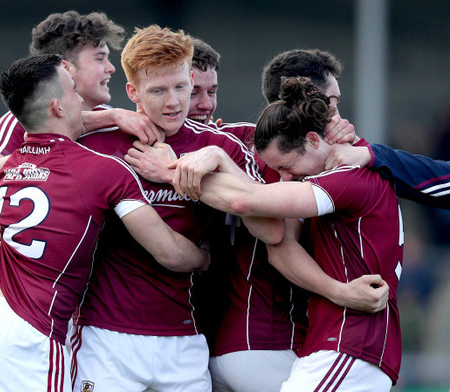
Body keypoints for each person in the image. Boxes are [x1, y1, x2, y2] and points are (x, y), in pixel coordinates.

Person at [0, 53, 210, 392]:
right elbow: (170, 253)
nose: (81, 100)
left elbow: (0, 223)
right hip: (33, 333)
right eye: (73, 91)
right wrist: (206, 256)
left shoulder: (8, 166)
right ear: (58, 107)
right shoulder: (103, 170)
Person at [67, 25, 283, 392]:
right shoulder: (95, 144)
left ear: (191, 77)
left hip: (185, 339)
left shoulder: (220, 147)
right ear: (132, 91)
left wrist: (184, 171)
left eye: (181, 87)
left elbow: (271, 229)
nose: (173, 102)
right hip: (104, 338)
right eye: (158, 91)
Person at [173, 77, 403, 390]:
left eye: (287, 165)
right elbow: (279, 242)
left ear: (312, 140)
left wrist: (172, 169)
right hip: (329, 346)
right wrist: (337, 290)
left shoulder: (349, 178)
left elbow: (245, 200)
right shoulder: (332, 177)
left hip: (352, 345)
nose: (283, 178)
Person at [0, 10, 161, 199]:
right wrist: (41, 149)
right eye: (100, 58)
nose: (111, 68)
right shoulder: (24, 117)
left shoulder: (118, 120)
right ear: (66, 67)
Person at [263, 48, 450, 209]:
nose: (339, 119)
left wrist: (370, 154)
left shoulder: (352, 169)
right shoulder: (254, 169)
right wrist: (371, 155)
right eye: (332, 106)